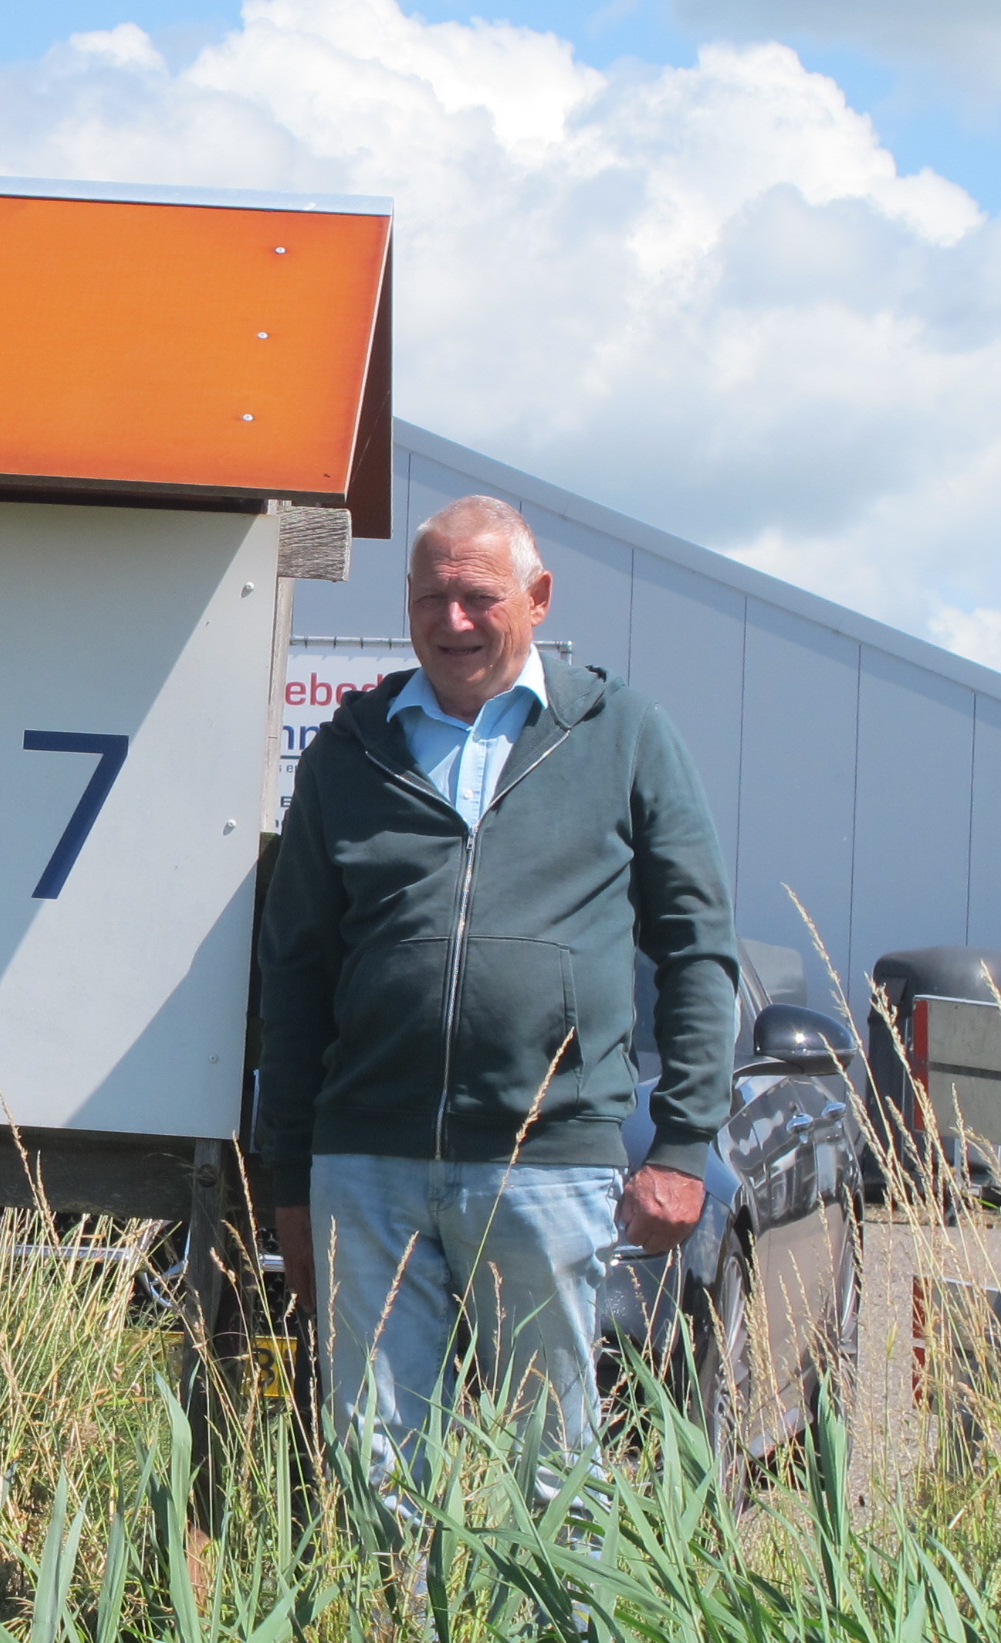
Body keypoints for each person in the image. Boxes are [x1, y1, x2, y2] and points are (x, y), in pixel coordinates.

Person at [256, 495, 737, 1481]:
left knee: (551, 1463)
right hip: (366, 1162)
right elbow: (294, 968)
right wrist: (288, 1175)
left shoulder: (619, 735)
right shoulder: (351, 748)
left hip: (548, 1159)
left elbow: (694, 946)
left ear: (537, 598)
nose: (451, 619)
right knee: (372, 1459)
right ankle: (390, 1635)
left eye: (477, 595)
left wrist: (683, 1140)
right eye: (429, 595)